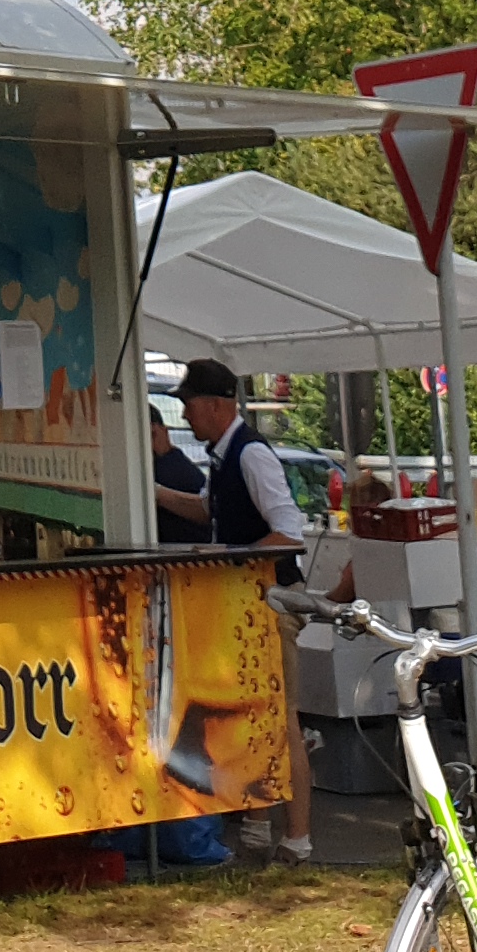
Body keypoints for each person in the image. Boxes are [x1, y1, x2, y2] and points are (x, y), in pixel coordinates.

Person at [164, 359, 323, 860]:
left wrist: (229, 556)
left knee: (283, 718)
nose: (185, 415)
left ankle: (298, 837)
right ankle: (258, 829)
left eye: (189, 405)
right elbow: (208, 510)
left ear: (215, 406)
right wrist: (154, 492)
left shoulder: (251, 454)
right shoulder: (224, 456)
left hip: (271, 601)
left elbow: (288, 534)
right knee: (257, 716)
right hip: (250, 603)